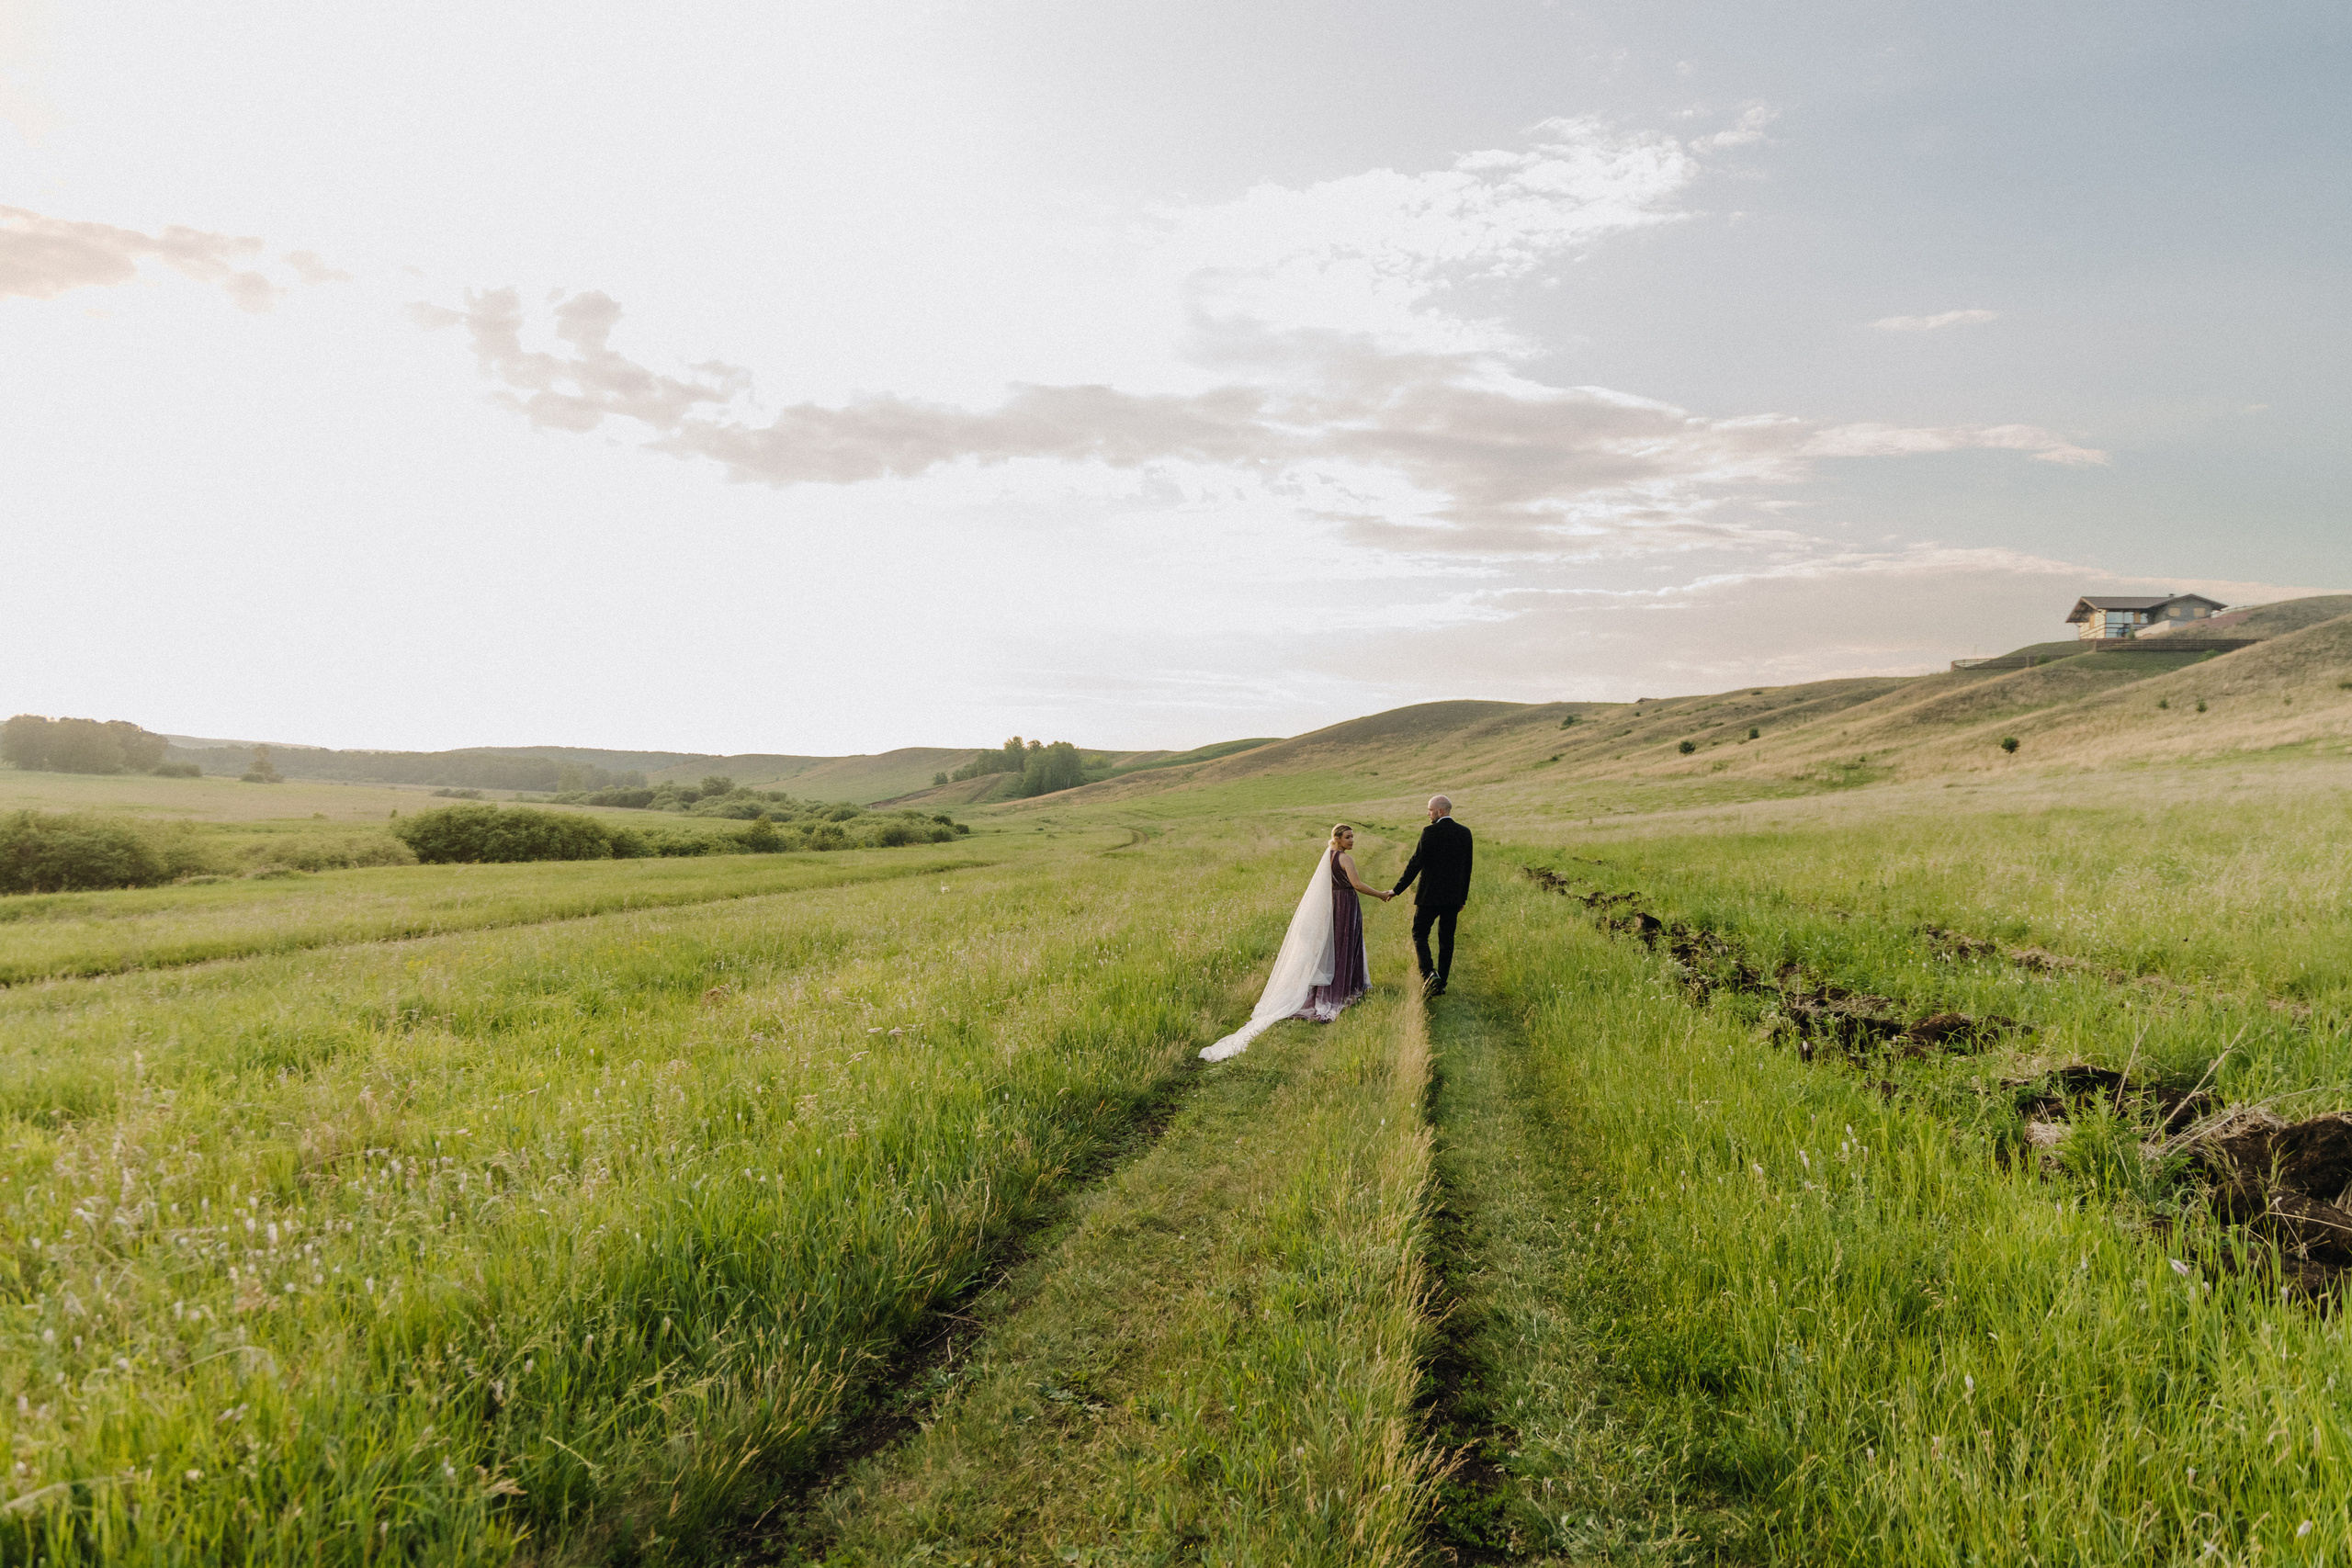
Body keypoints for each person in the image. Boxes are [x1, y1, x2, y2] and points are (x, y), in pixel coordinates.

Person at [1202, 824, 1393, 1062]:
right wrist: (1381, 894)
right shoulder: (1345, 858)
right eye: (1348, 837)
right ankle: (1339, 992)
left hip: (1331, 906)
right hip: (1345, 905)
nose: (1352, 840)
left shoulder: (1327, 858)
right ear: (1337, 839)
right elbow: (1356, 884)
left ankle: (1330, 989)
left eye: (1353, 836)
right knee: (1344, 946)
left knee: (1332, 948)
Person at [1392, 795, 1472, 996]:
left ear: (1440, 811)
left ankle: (1428, 974)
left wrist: (1397, 889)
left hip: (1430, 896)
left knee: (1419, 933)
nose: (1428, 813)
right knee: (1447, 940)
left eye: (1430, 810)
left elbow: (1416, 863)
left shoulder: (1430, 832)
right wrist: (1462, 897)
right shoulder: (1465, 833)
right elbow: (1467, 868)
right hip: (1453, 898)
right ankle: (1441, 983)